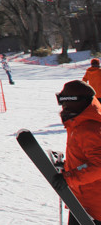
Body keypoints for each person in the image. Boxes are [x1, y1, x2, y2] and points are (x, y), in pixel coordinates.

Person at [54, 79, 101, 223]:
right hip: (82, 203)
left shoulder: (89, 128)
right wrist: (68, 167)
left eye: (64, 102)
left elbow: (99, 166)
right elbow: (85, 160)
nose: (63, 107)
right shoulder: (78, 122)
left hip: (94, 207)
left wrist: (69, 178)